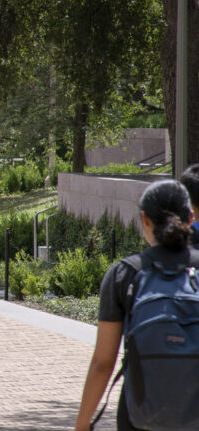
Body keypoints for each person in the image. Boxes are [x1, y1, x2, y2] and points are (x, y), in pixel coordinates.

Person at [74, 179, 199, 431]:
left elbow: (102, 363)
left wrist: (82, 423)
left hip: (139, 415)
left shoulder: (124, 273)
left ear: (144, 219)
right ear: (191, 217)